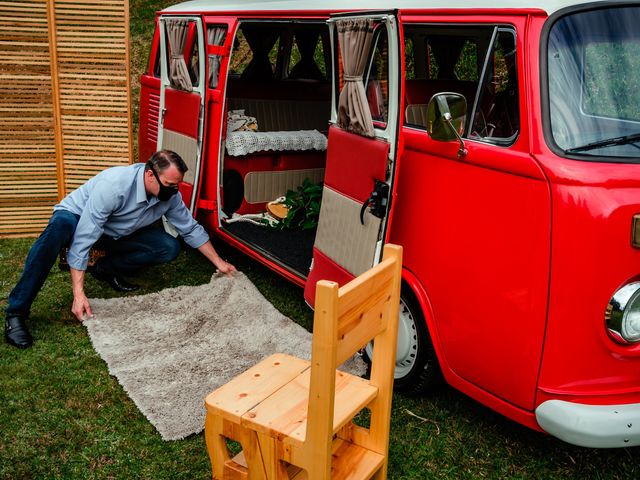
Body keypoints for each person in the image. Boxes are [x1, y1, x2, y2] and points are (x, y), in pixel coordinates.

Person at [4, 150, 236, 349]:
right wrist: (78, 294)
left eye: (176, 185)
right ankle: (16, 313)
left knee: (167, 247)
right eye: (169, 185)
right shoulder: (113, 186)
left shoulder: (169, 194)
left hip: (117, 231)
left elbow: (189, 228)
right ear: (149, 174)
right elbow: (84, 237)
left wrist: (219, 263)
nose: (173, 191)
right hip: (76, 220)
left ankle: (105, 268)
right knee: (57, 230)